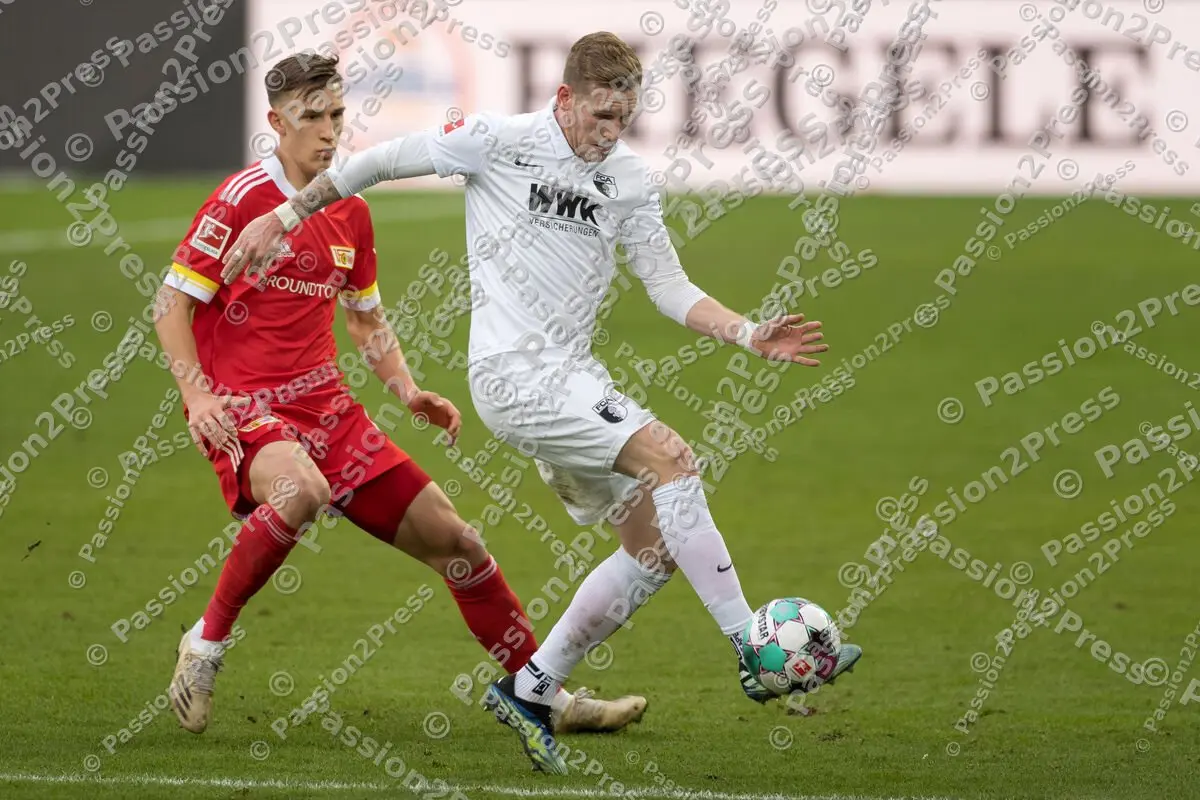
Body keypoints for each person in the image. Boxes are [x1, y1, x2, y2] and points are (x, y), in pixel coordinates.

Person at [218, 33, 864, 774]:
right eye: (598, 115)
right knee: (674, 459)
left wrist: (749, 334)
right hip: (512, 376)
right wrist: (289, 214)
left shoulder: (626, 179)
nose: (608, 131)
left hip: (572, 377)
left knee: (652, 549)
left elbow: (668, 287)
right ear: (564, 99)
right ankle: (753, 648)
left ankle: (530, 689)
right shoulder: (496, 141)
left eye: (621, 118)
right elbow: (379, 161)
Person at [154, 52, 645, 740]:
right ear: (275, 123)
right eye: (311, 118)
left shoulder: (348, 209)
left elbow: (364, 318)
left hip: (329, 412)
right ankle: (203, 645)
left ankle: (541, 692)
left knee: (460, 544)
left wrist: (406, 387)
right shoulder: (241, 200)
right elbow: (171, 304)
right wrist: (197, 395)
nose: (328, 133)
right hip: (242, 406)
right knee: (299, 492)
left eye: (336, 117)